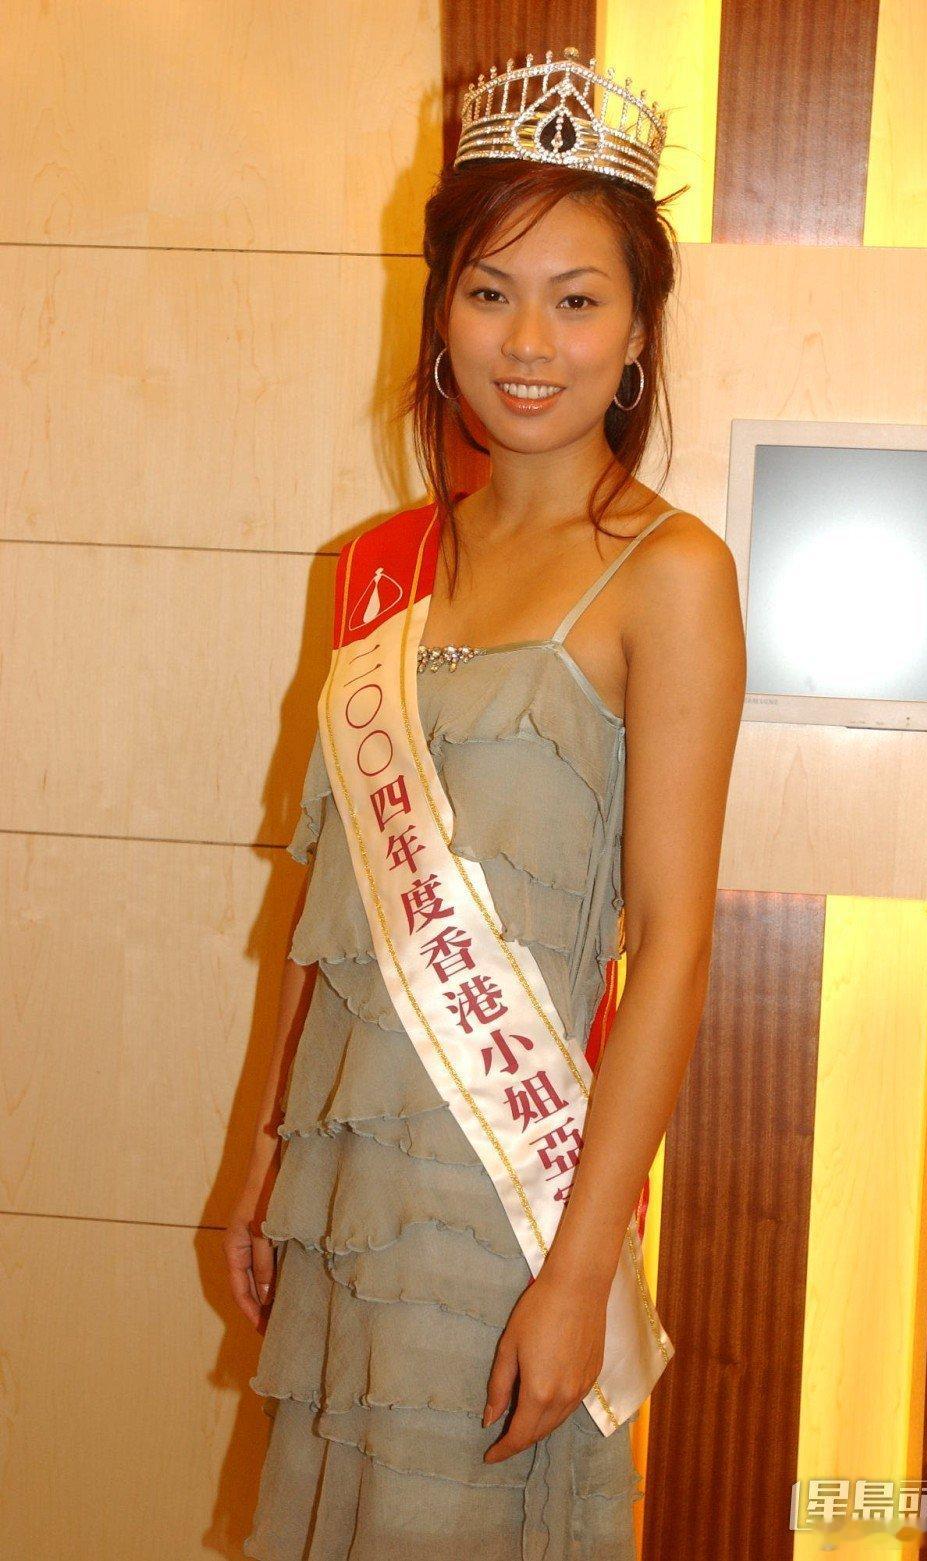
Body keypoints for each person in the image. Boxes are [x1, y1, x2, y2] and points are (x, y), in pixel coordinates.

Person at [227, 44, 746, 1559]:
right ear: (440, 307)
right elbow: (328, 902)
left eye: (578, 299)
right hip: (345, 1179)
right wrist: (269, 1148)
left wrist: (579, 1274)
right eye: (490, 290)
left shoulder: (671, 572)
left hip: (517, 1197)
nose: (529, 343)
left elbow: (673, 942)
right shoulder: (377, 567)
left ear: (638, 329)